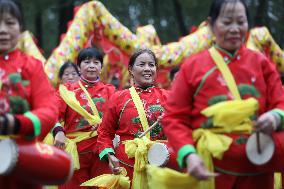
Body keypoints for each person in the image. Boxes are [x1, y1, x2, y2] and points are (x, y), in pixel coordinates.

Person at [162, 0, 284, 188]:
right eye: (227, 22)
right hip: (211, 170)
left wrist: (275, 117)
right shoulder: (192, 67)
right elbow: (174, 117)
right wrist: (189, 154)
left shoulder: (261, 63)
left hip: (259, 168)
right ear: (211, 25)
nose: (235, 29)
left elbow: (280, 102)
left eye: (241, 22)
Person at [0, 0, 58, 188]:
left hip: (23, 163)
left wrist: (16, 123)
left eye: (9, 23)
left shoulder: (31, 67)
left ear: (20, 27)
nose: (2, 30)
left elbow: (49, 110)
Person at [97, 49, 168, 182]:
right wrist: (110, 155)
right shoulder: (118, 98)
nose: (147, 69)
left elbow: (181, 128)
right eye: (141, 65)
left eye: (151, 65)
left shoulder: (168, 97)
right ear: (130, 69)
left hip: (160, 166)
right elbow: (105, 133)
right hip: (127, 168)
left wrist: (169, 122)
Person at [52, 47, 116, 188]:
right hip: (76, 153)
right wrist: (59, 131)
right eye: (87, 62)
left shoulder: (110, 91)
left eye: (96, 62)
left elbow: (117, 118)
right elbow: (52, 113)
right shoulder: (67, 90)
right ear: (79, 67)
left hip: (102, 151)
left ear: (101, 67)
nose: (92, 66)